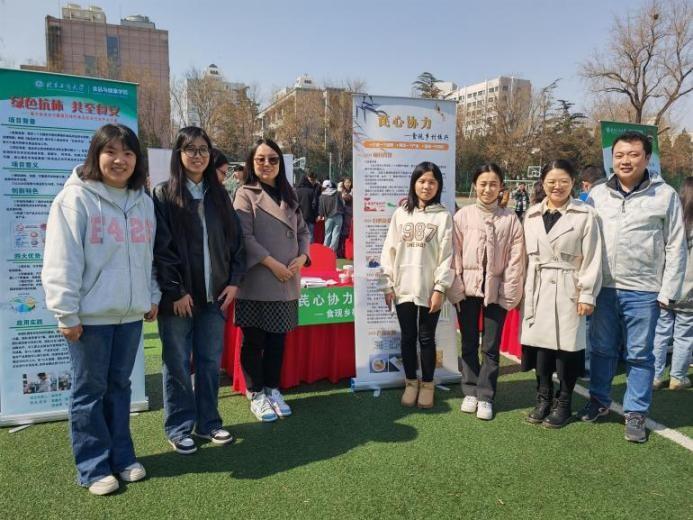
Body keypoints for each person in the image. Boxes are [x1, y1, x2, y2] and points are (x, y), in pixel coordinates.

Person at [42, 123, 160, 495]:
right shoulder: (74, 199)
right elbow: (61, 260)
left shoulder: (143, 201)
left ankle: (122, 457)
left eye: (128, 153)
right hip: (89, 319)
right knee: (89, 392)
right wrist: (66, 313)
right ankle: (93, 467)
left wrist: (152, 294)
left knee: (119, 388)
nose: (119, 160)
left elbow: (149, 256)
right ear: (96, 154)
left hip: (129, 316)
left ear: (137, 160)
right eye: (111, 151)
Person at [580, 131, 687, 443]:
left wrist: (668, 292)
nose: (625, 161)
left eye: (633, 154)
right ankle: (598, 400)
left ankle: (636, 412)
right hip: (603, 288)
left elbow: (676, 245)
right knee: (601, 349)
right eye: (619, 155)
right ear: (611, 159)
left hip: (644, 291)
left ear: (647, 158)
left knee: (640, 354)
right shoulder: (598, 193)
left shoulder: (664, 195)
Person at [153, 126, 245, 455]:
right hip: (179, 298)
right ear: (178, 154)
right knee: (177, 362)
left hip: (214, 296)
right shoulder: (163, 194)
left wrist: (234, 281)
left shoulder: (219, 194)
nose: (197, 155)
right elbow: (161, 248)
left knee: (208, 362)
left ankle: (208, 423)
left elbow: (236, 244)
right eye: (190, 149)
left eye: (203, 149)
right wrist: (175, 291)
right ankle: (179, 427)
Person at [520, 160, 603, 428]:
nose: (557, 186)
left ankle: (564, 402)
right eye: (552, 181)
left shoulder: (585, 214)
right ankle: (543, 398)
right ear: (543, 183)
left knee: (568, 350)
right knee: (540, 350)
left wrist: (587, 294)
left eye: (564, 181)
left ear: (573, 183)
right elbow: (524, 257)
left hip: (569, 287)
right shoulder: (532, 214)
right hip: (538, 286)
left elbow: (592, 258)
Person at [234, 138, 311, 422]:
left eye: (273, 159)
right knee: (254, 340)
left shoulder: (289, 194)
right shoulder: (245, 194)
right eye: (260, 159)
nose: (267, 164)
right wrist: (271, 263)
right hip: (258, 279)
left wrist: (303, 256)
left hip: (287, 280)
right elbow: (244, 237)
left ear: (280, 163)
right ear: (251, 163)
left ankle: (272, 388)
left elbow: (303, 231)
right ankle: (256, 392)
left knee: (278, 340)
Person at [449, 163, 525, 420]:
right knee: (469, 342)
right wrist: (456, 288)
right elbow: (454, 255)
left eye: (493, 184)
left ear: (500, 186)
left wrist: (508, 292)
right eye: (483, 183)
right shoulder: (462, 216)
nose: (488, 189)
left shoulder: (510, 219)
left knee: (491, 347)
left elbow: (516, 259)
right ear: (475, 185)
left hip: (496, 292)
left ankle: (486, 396)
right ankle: (470, 390)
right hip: (467, 291)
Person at [379, 162, 453, 408]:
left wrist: (440, 288)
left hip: (430, 288)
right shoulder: (401, 214)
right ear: (413, 184)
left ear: (438, 186)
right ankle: (411, 382)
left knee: (427, 338)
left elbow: (446, 256)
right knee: (408, 337)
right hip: (403, 287)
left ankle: (428, 385)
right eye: (422, 181)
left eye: (432, 182)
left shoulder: (443, 216)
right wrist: (387, 284)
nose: (426, 186)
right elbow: (389, 251)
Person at [653, 176, 693, 391]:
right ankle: (678, 377)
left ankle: (655, 376)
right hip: (689, 290)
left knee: (661, 332)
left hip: (667, 286)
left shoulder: (672, 223)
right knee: (684, 335)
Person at [319, 179, 344, 253]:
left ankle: (324, 251)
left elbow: (321, 207)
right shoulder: (338, 193)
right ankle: (331, 251)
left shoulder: (322, 195)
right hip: (338, 215)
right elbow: (342, 203)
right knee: (336, 234)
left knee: (327, 234)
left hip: (328, 217)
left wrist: (321, 215)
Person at [295, 174, 319, 242]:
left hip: (298, 217)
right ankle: (310, 248)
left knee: (298, 234)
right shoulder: (311, 191)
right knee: (310, 234)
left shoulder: (296, 191)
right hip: (309, 217)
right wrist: (316, 215)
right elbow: (314, 205)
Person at [339, 177, 353, 257]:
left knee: (349, 233)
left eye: (349, 182)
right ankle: (342, 252)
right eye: (346, 182)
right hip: (344, 214)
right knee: (343, 234)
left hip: (351, 214)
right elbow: (345, 198)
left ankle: (348, 252)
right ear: (343, 183)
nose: (347, 184)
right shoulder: (342, 191)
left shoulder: (352, 191)